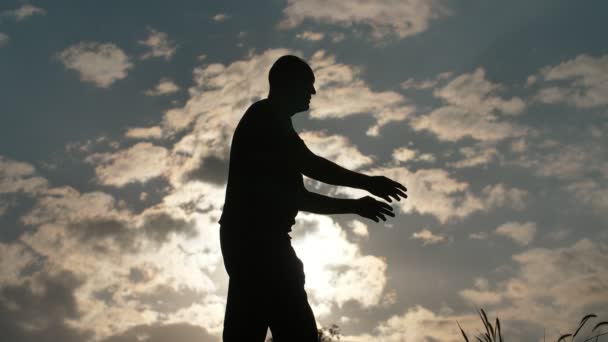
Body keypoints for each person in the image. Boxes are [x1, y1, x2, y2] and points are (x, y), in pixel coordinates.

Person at [218, 55, 407, 342]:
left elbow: (299, 198)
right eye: (308, 84)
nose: (313, 92)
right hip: (259, 243)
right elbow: (311, 164)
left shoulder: (275, 126)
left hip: (251, 243)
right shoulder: (265, 117)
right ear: (288, 84)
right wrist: (367, 183)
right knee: (297, 332)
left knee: (246, 331)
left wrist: (355, 205)